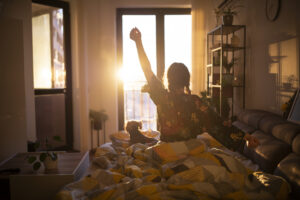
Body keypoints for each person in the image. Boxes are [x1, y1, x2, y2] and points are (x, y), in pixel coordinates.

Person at [129, 27, 259, 151]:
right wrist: (246, 137)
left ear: (169, 79)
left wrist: (138, 42)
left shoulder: (162, 97)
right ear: (187, 80)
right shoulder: (195, 102)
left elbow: (147, 69)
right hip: (189, 150)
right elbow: (219, 123)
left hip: (166, 151)